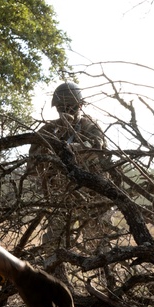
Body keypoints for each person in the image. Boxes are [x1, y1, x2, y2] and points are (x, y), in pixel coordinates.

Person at [28, 82, 114, 267]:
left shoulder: (90, 127)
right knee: (53, 244)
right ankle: (56, 278)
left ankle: (108, 280)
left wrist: (68, 148)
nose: (66, 110)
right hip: (59, 196)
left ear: (80, 106)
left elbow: (98, 150)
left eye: (71, 106)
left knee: (99, 244)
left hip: (92, 195)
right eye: (62, 107)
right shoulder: (47, 131)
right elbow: (32, 166)